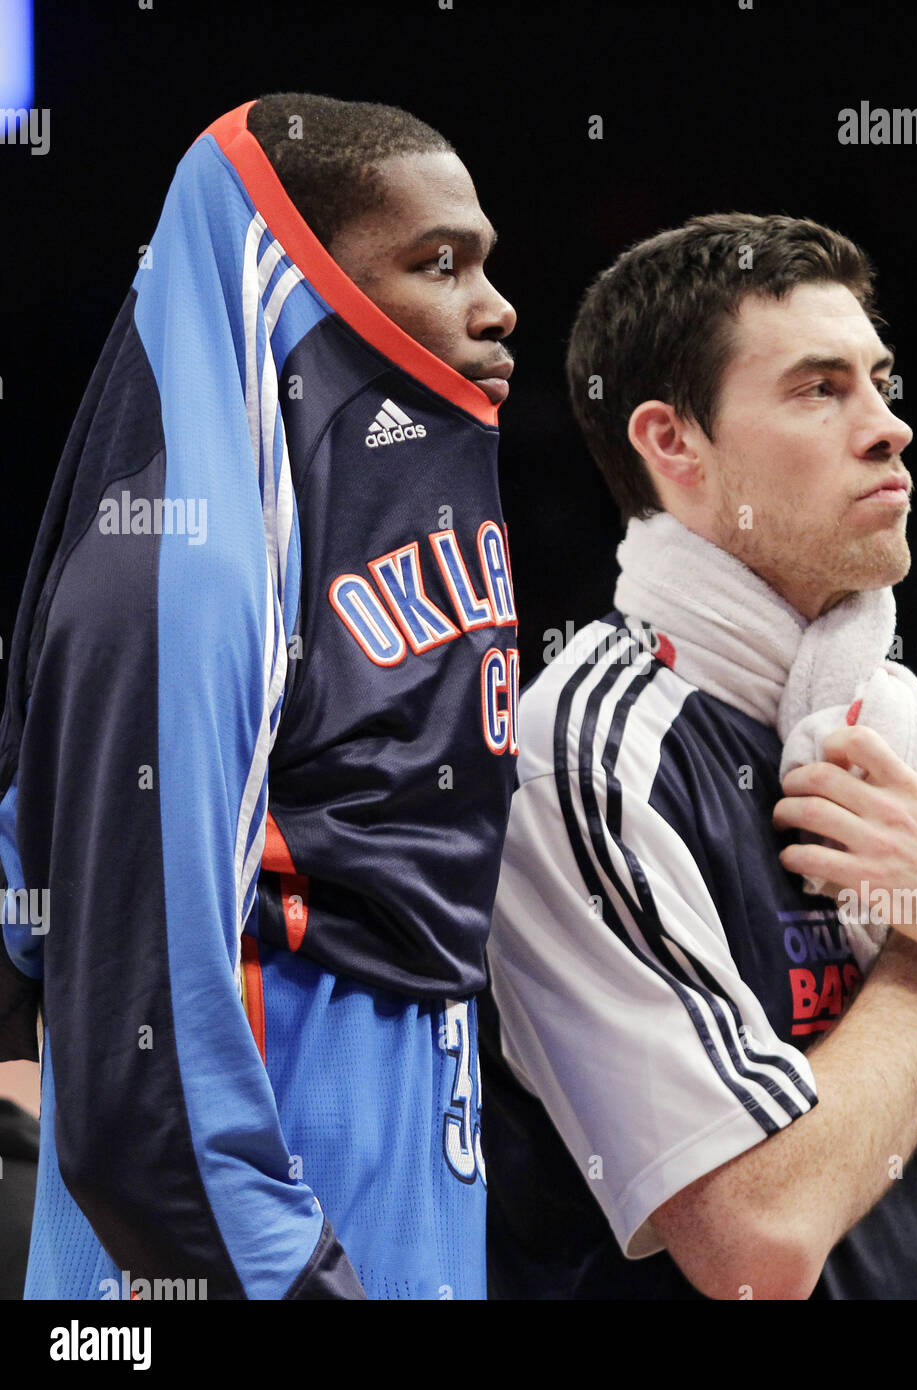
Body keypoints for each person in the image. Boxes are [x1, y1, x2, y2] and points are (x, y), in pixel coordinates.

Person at [479, 213, 917, 1299]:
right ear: (674, 444)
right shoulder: (580, 755)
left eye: (882, 382)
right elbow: (758, 1242)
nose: (889, 425)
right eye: (819, 388)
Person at [0, 92, 518, 1300]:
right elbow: (149, 1085)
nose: (495, 308)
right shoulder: (177, 569)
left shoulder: (360, 520)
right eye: (438, 265)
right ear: (294, 277)